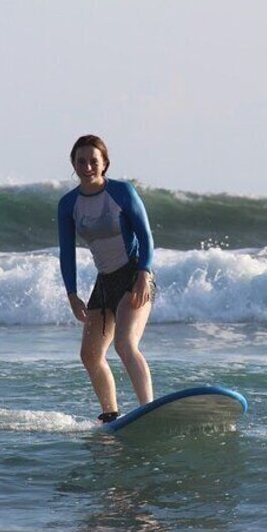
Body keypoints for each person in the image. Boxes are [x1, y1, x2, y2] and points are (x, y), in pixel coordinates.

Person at [57, 134, 156, 423]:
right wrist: (72, 294)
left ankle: (148, 409)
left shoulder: (122, 192)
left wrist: (144, 275)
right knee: (89, 354)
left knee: (124, 344)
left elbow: (146, 237)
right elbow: (67, 252)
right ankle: (111, 415)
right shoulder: (68, 204)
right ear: (74, 164)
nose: (87, 166)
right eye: (81, 161)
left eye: (93, 161)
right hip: (104, 282)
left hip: (134, 274)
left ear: (105, 164)